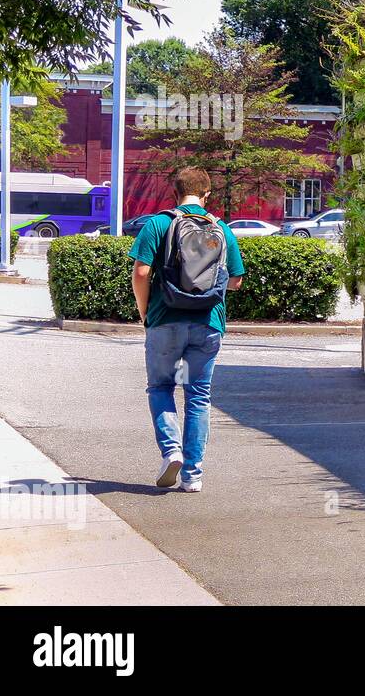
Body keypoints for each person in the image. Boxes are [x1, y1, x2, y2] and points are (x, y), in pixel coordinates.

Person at [129, 167, 245, 492]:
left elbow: (141, 272)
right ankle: (193, 476)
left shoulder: (159, 223)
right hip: (208, 323)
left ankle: (172, 451)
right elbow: (235, 280)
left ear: (174, 192)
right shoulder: (220, 228)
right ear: (207, 194)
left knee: (161, 388)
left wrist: (144, 311)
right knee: (198, 395)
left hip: (164, 319)